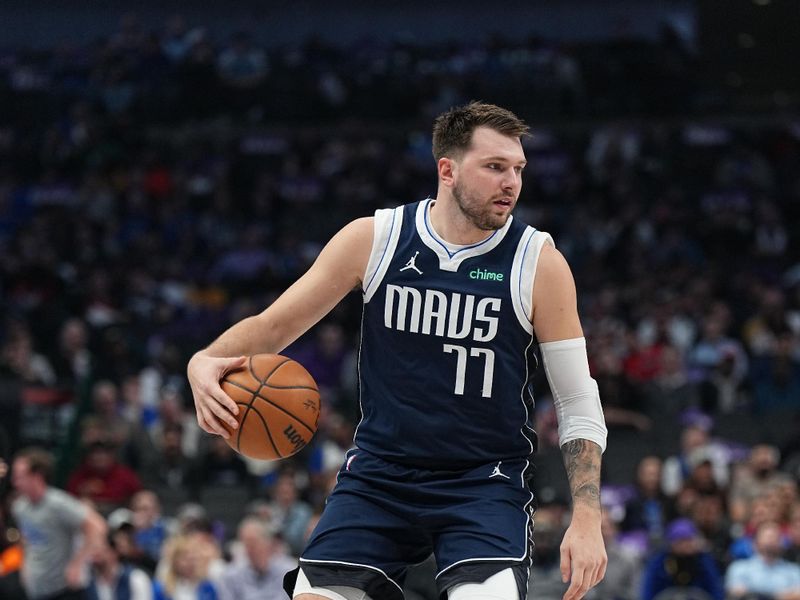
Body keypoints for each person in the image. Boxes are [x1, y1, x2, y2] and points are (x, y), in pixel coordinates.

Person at [188, 101, 608, 600]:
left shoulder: (539, 263)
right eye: (495, 167)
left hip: (483, 481)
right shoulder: (376, 239)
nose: (511, 182)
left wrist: (586, 516)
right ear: (447, 170)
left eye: (518, 169)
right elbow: (273, 326)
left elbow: (577, 398)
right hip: (380, 475)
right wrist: (202, 360)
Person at [11, 447, 108, 600]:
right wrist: (25, 565)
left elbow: (97, 525)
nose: (15, 482)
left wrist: (78, 563)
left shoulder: (58, 503)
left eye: (20, 476)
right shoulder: (19, 508)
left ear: (37, 476)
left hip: (63, 589)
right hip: (36, 589)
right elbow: (26, 538)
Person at [641, 518, 724, 600]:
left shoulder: (704, 562)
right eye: (681, 541)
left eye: (689, 540)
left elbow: (715, 591)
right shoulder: (659, 563)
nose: (685, 545)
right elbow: (649, 592)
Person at [216, 516, 297, 600]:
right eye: (246, 544)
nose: (249, 550)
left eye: (253, 543)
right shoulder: (230, 576)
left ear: (268, 543)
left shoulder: (289, 571)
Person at [725, 521, 800, 600]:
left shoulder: (793, 571)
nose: (771, 541)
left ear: (781, 543)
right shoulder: (739, 568)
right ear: (755, 542)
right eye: (768, 537)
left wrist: (754, 593)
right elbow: (737, 593)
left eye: (776, 537)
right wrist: (780, 596)